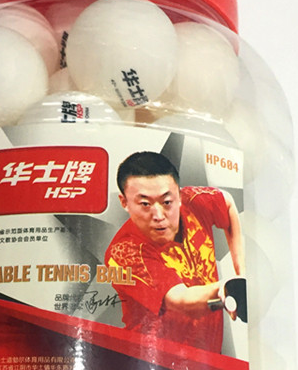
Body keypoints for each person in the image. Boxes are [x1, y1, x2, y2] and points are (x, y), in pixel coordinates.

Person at [105, 151, 245, 353]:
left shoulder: (194, 201)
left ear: (178, 196)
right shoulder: (123, 252)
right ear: (124, 202)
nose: (158, 215)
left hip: (207, 357)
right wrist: (229, 287)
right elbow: (181, 300)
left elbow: (227, 202)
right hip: (153, 363)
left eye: (166, 202)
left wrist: (242, 271)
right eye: (145, 204)